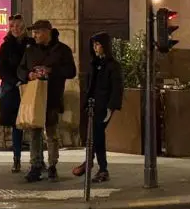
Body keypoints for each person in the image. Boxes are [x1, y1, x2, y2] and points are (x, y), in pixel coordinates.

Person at [18, 20, 76, 183]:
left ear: (47, 32)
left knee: (51, 132)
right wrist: (29, 75)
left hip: (52, 96)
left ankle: (52, 166)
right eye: (33, 32)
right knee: (34, 132)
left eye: (37, 32)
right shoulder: (30, 50)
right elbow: (20, 69)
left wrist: (51, 71)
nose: (34, 35)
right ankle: (35, 165)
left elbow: (71, 71)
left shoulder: (62, 50)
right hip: (35, 97)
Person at [73, 32, 123, 183]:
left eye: (98, 44)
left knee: (97, 135)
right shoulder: (94, 64)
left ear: (105, 46)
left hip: (104, 106)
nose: (95, 48)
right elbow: (90, 86)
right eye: (94, 45)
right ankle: (96, 165)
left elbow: (117, 88)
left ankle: (96, 165)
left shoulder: (113, 66)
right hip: (92, 106)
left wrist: (111, 107)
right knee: (95, 136)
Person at [0, 14, 33, 173]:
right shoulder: (6, 45)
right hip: (12, 89)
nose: (14, 29)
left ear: (23, 26)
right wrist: (14, 81)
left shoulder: (30, 43)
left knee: (33, 123)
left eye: (17, 26)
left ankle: (37, 160)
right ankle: (16, 159)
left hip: (29, 87)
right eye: (11, 26)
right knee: (16, 125)